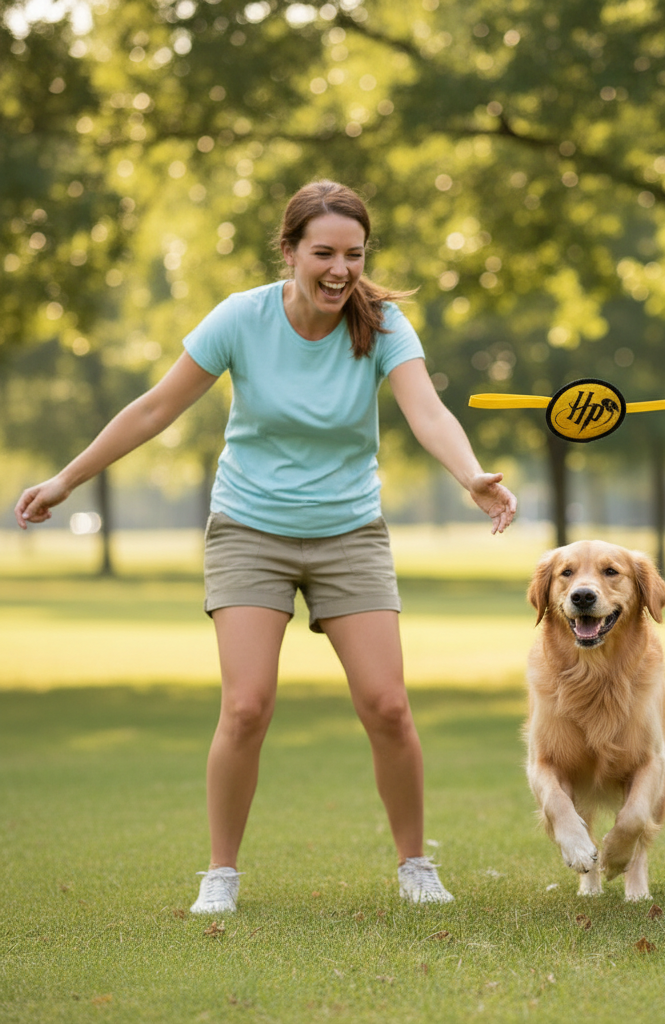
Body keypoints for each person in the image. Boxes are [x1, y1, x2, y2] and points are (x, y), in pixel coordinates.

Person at [15, 180, 517, 911]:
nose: (340, 270)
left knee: (388, 706)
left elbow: (427, 412)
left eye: (354, 254)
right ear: (289, 251)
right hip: (250, 529)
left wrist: (471, 476)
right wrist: (67, 480)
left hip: (349, 532)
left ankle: (415, 864)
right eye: (324, 253)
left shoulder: (382, 324)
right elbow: (154, 408)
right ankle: (221, 873)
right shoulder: (241, 318)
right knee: (247, 706)